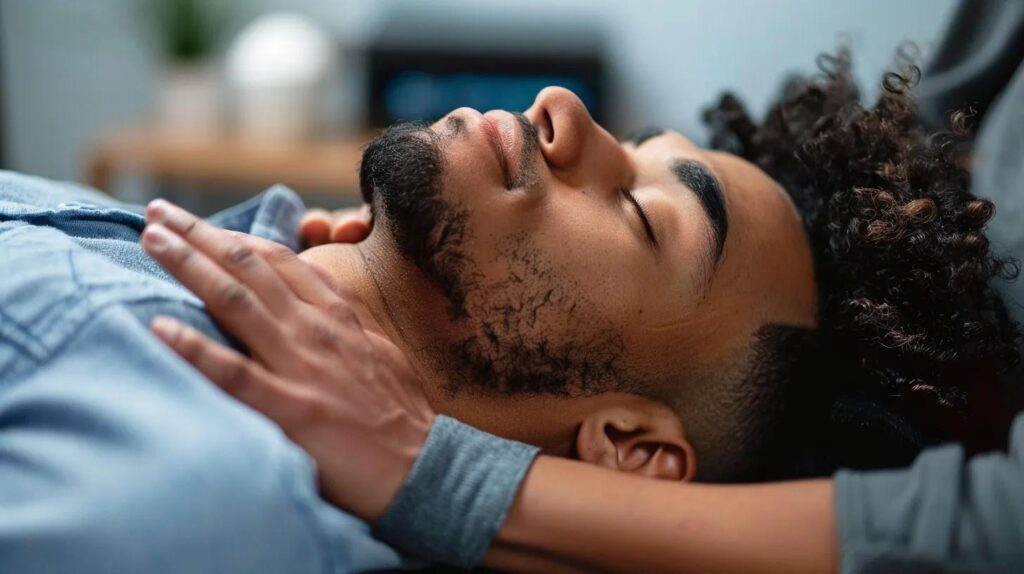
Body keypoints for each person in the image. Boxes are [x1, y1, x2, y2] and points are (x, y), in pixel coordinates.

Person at [143, 51, 1024, 571]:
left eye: (641, 214)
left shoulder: (190, 503)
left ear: (629, 448)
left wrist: (430, 469)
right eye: (638, 149)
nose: (562, 109)